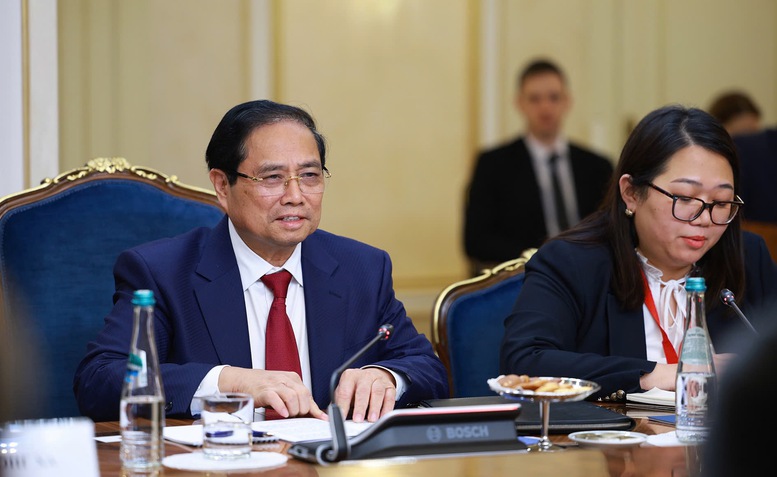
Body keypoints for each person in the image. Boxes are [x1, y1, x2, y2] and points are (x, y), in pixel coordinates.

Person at [74, 99, 449, 422]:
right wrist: (230, 382)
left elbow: (426, 367)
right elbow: (101, 380)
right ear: (223, 186)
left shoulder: (361, 268)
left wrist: (385, 376)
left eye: (309, 175)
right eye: (272, 178)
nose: (295, 195)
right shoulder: (163, 272)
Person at [499, 104, 777, 402]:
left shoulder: (748, 256)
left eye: (721, 202)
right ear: (631, 193)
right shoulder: (571, 262)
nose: (705, 219)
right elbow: (524, 361)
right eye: (685, 198)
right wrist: (656, 374)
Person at [464, 58, 613, 275]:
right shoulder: (493, 165)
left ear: (567, 101)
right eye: (534, 99)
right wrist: (538, 256)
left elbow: (613, 229)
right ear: (520, 103)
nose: (545, 107)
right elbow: (475, 241)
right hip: (526, 277)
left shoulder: (597, 166)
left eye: (554, 97)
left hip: (589, 275)